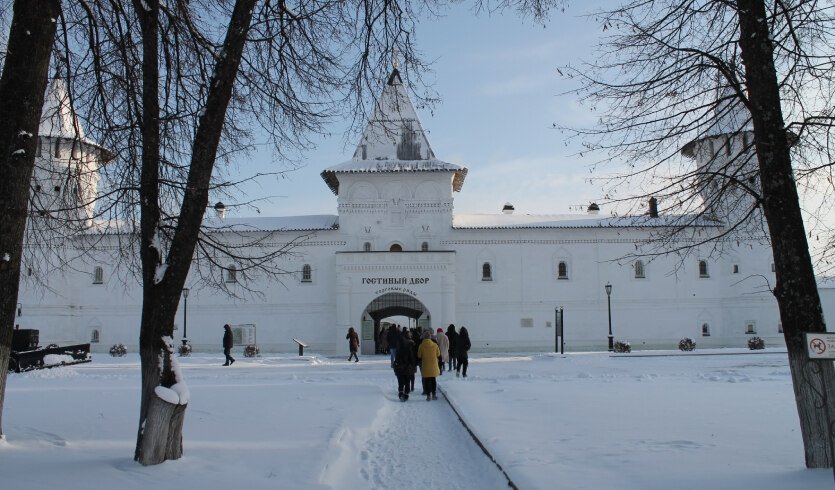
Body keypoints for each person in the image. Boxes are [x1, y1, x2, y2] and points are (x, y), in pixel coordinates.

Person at [416, 330, 441, 400]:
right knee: (433, 380)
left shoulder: (421, 345)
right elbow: (438, 354)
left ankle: (428, 396)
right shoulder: (435, 345)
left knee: (426, 381)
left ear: (424, 337)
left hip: (425, 365)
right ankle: (434, 395)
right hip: (433, 365)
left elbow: (419, 355)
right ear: (430, 337)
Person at [393, 331, 416, 401]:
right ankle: (406, 394)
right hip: (407, 368)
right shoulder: (409, 348)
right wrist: (413, 364)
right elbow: (411, 358)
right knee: (407, 381)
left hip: (400, 368)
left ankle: (400, 393)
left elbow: (396, 359)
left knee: (400, 382)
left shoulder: (398, 349)